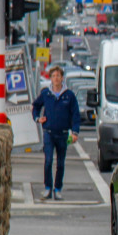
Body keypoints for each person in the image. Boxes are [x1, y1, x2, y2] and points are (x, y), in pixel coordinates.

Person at [32, 65, 81, 200]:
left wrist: (75, 132)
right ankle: (48, 188)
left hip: (63, 133)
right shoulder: (46, 94)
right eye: (53, 76)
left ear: (62, 78)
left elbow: (75, 115)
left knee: (60, 163)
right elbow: (35, 106)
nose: (56, 79)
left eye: (58, 76)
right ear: (51, 78)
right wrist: (37, 118)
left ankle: (57, 189)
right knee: (48, 161)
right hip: (48, 132)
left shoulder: (69, 96)